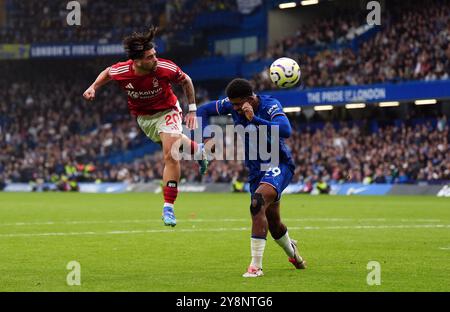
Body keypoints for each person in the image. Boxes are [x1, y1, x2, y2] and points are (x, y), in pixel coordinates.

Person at [83, 26, 208, 227]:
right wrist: (93, 87)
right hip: (144, 118)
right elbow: (107, 73)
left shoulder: (165, 68)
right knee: (174, 144)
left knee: (170, 154)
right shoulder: (123, 70)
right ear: (138, 61)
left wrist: (192, 110)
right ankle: (199, 151)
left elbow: (187, 81)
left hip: (168, 110)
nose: (155, 59)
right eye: (150, 57)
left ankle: (168, 206)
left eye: (154, 54)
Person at [197, 78, 306, 277]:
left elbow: (286, 130)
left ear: (250, 99)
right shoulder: (232, 105)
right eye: (233, 104)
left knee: (256, 203)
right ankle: (293, 253)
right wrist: (206, 138)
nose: (235, 108)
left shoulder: (270, 105)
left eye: (238, 104)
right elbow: (202, 110)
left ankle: (256, 267)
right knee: (273, 222)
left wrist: (254, 118)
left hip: (279, 163)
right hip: (256, 170)